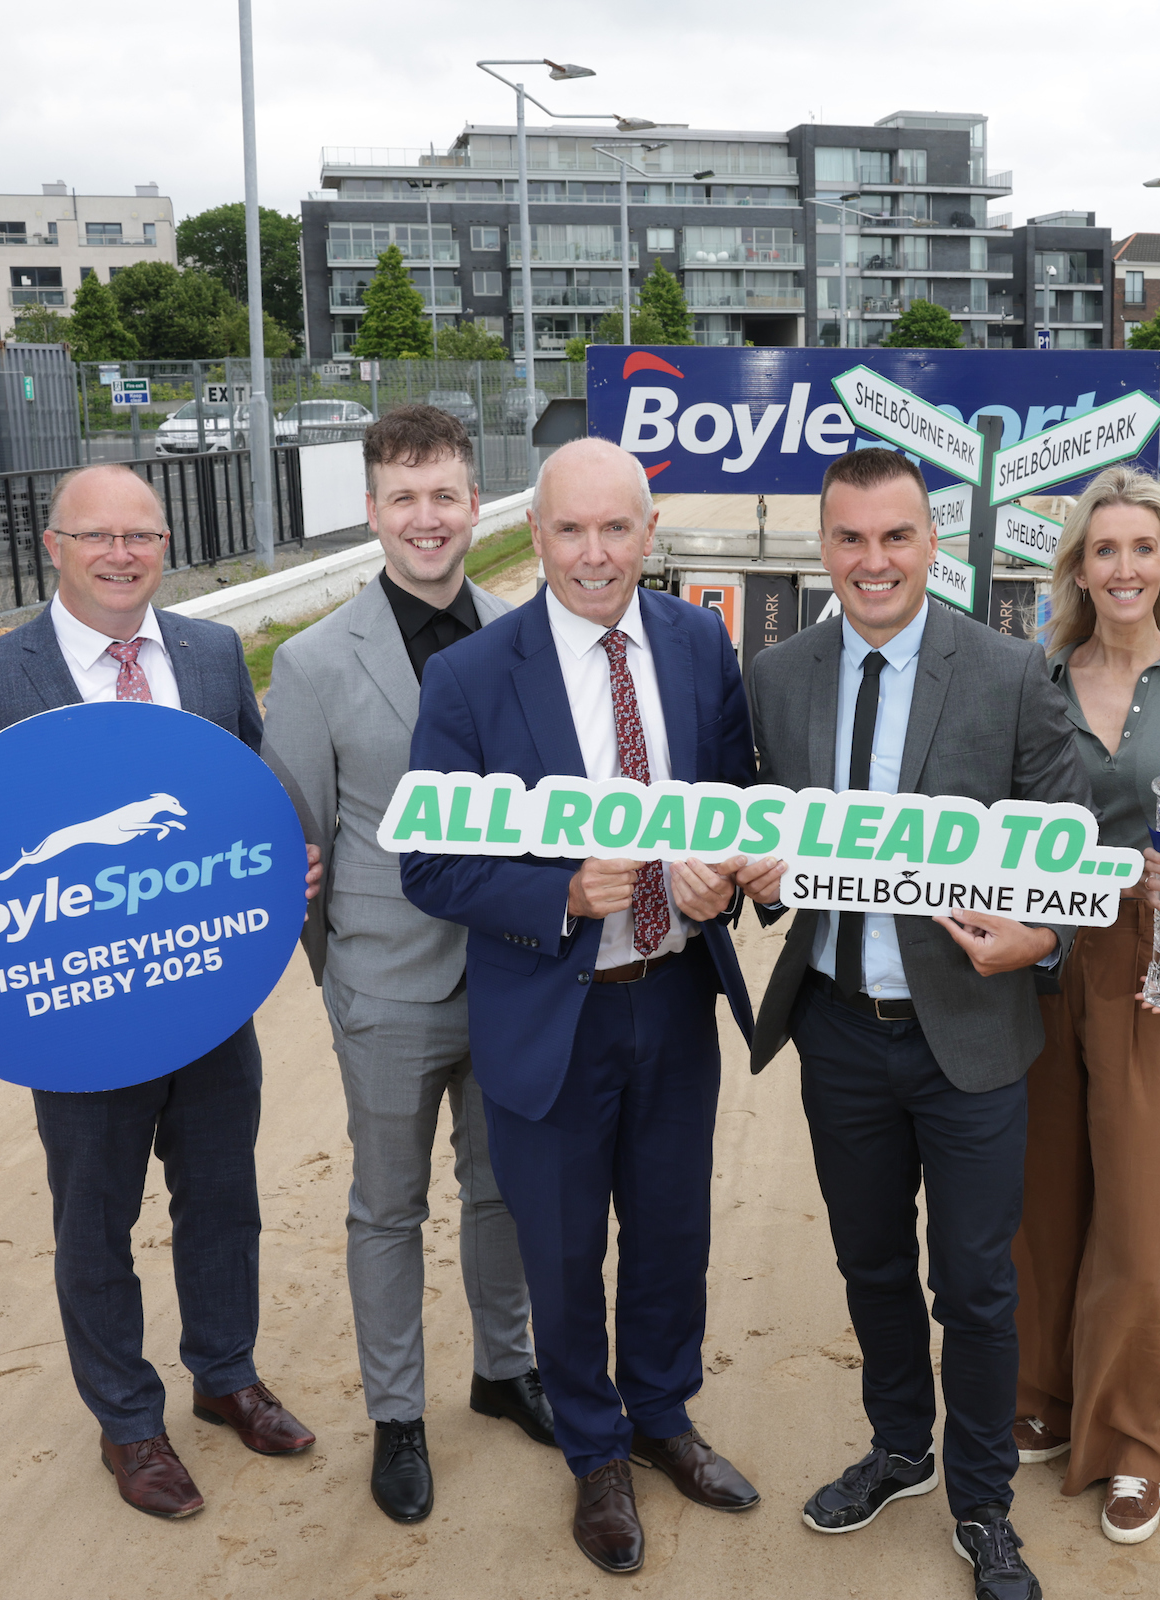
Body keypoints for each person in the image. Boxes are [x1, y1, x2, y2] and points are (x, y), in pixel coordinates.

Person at [0, 463, 322, 1520]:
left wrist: (282, 862)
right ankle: (129, 1423)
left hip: (202, 989)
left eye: (140, 535)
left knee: (224, 1197)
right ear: (52, 546)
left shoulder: (210, 653)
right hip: (79, 1013)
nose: (120, 554)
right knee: (95, 1220)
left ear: (165, 547)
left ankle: (227, 1376)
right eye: (96, 535)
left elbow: (243, 794)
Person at [398, 437, 762, 1577]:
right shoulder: (470, 677)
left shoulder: (700, 644)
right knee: (560, 1254)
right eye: (570, 529)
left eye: (615, 528)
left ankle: (661, 1417)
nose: (594, 553)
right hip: (551, 1013)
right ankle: (594, 1451)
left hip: (674, 995)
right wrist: (556, 891)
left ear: (650, 533)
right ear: (535, 534)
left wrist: (724, 870)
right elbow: (429, 863)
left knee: (672, 1235)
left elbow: (740, 800)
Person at [736, 446, 1092, 1600]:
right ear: (823, 547)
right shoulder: (777, 675)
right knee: (872, 1262)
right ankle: (900, 1448)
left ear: (931, 543)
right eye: (850, 538)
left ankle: (983, 1504)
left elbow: (1070, 838)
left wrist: (1043, 938)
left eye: (896, 536)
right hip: (839, 1027)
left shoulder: (1006, 669)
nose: (874, 559)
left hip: (971, 1034)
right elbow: (765, 834)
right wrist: (757, 873)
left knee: (976, 1285)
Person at [260, 405, 554, 1526]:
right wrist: (344, 979)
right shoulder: (312, 662)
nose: (426, 518)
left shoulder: (530, 637)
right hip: (386, 987)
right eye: (403, 498)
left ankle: (504, 1367)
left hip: (517, 975)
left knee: (504, 1188)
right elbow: (299, 852)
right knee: (388, 1207)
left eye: (444, 496)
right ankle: (396, 1416)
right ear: (373, 511)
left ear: (476, 505)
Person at [1010, 466, 1160, 1546]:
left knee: (1140, 1219)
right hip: (1043, 957)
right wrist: (1102, 868)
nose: (1123, 568)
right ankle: (1043, 1394)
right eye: (1103, 549)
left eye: (1142, 549)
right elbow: (1007, 826)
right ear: (1078, 566)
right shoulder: (1032, 677)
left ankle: (1130, 1444)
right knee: (1043, 1199)